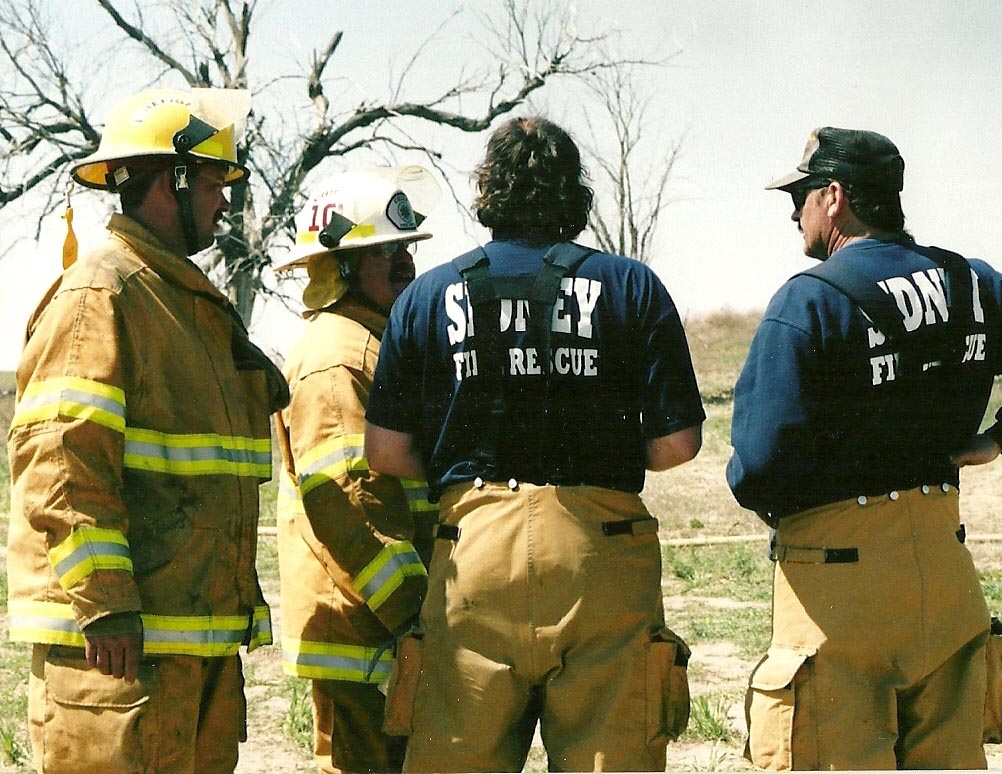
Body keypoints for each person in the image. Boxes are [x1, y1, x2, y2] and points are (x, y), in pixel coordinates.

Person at [728, 126, 1002, 770]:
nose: (792, 211)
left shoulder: (810, 301)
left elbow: (760, 465)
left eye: (799, 195)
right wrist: (1001, 438)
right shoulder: (970, 285)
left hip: (838, 586)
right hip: (945, 572)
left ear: (834, 197)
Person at [363, 115, 705, 772]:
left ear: (488, 191)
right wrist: (601, 460)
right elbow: (678, 444)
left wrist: (462, 473)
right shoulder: (632, 286)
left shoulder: (427, 296)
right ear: (573, 194)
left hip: (474, 552)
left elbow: (384, 451)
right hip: (598, 555)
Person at [6, 87, 288, 773]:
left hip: (186, 644)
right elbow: (61, 461)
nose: (226, 203)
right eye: (218, 182)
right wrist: (105, 605)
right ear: (176, 180)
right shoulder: (103, 292)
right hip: (121, 655)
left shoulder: (177, 299)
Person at [271, 167, 441, 773]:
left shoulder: (375, 345)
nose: (405, 265)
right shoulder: (334, 358)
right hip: (366, 630)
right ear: (339, 266)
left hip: (384, 629)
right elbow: (348, 504)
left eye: (404, 249)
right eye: (384, 252)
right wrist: (413, 614)